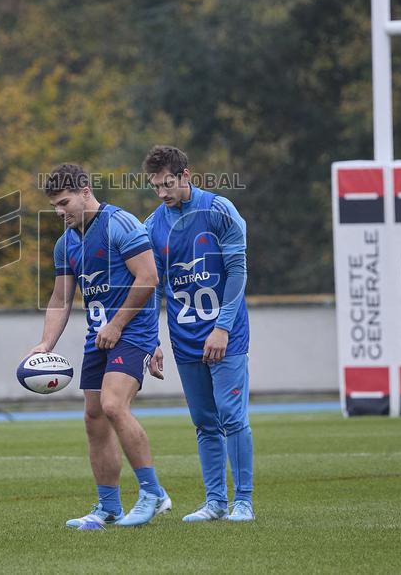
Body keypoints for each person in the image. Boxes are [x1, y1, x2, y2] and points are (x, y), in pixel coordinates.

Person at [32, 163, 170, 530]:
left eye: (64, 203)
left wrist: (117, 324)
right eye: (55, 207)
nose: (60, 212)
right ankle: (109, 507)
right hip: (98, 337)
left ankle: (153, 493)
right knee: (94, 418)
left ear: (85, 192)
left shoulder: (120, 224)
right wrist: (45, 343)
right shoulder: (66, 244)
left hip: (132, 332)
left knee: (113, 405)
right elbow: (61, 298)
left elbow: (149, 277)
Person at [143, 145, 254, 522]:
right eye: (155, 186)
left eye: (168, 183)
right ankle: (215, 502)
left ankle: (243, 502)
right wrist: (151, 339)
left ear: (186, 176)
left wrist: (222, 327)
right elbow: (152, 288)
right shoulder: (151, 226)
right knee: (205, 421)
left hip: (226, 334)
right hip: (185, 337)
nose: (162, 192)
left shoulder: (220, 210)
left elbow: (238, 273)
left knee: (231, 415)